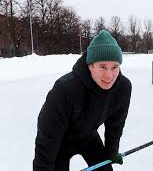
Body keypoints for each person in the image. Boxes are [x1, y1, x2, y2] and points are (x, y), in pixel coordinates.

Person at [33, 30, 132, 171]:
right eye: (103, 67)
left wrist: (111, 152)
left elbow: (115, 125)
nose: (109, 75)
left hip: (87, 135)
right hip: (60, 141)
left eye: (115, 67)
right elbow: (48, 137)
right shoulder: (65, 90)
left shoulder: (122, 88)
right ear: (90, 65)